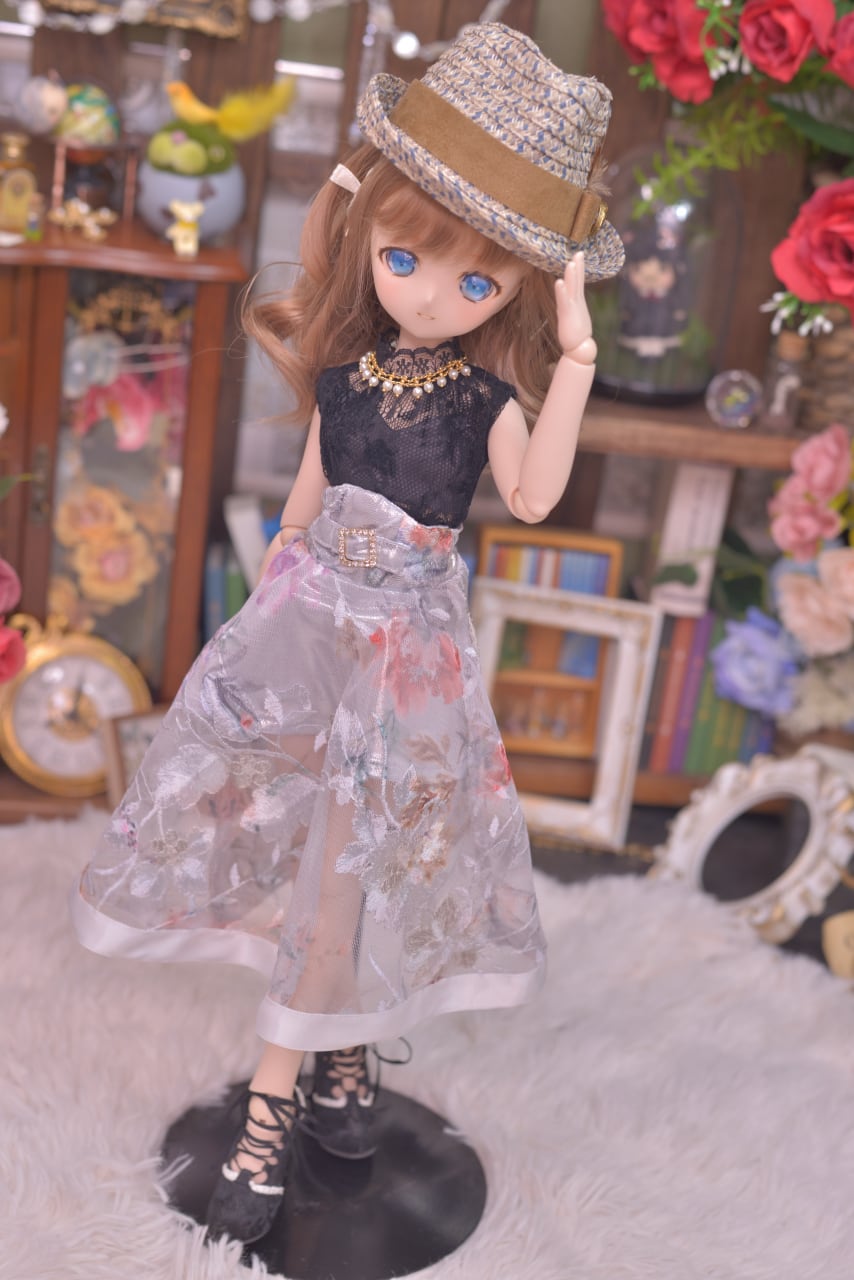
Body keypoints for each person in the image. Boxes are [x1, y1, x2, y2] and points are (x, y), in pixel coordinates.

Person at [71, 22, 624, 1246]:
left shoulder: (484, 400)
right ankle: (329, 1064)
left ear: (515, 290)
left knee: (360, 864)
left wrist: (576, 352)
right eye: (405, 258)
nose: (429, 294)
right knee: (298, 850)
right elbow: (298, 517)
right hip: (307, 636)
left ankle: (299, 1082)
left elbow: (533, 496)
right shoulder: (345, 382)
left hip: (407, 663)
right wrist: (252, 645)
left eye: (477, 282)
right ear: (368, 234)